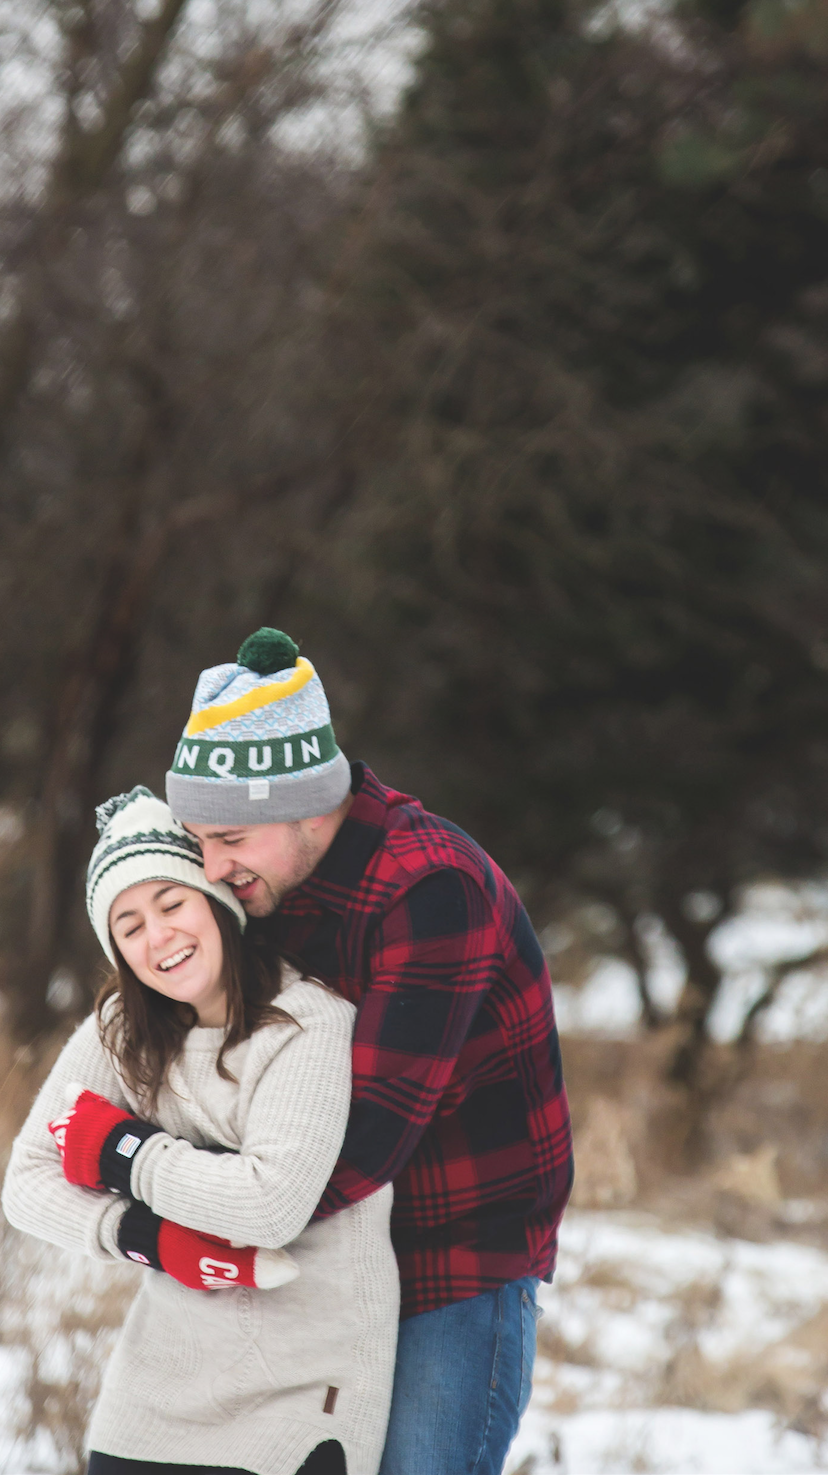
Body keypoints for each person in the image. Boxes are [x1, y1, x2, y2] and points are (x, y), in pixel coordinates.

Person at [164, 629, 575, 1475]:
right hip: (318, 1253)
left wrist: (154, 1192)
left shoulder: (432, 891)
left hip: (450, 1261)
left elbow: (359, 1140)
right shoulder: (270, 879)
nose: (212, 867)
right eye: (199, 839)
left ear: (311, 805)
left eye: (231, 839)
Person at [2, 785, 400, 1475]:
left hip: (304, 1379)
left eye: (172, 904)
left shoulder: (305, 1022)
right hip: (160, 1384)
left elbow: (269, 1205)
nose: (159, 938)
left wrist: (123, 1154)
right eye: (128, 927)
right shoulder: (121, 1031)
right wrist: (144, 1236)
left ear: (214, 903)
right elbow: (27, 1182)